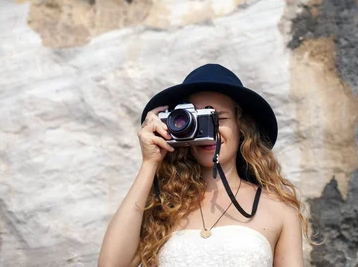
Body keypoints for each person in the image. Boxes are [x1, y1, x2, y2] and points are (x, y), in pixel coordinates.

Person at [98, 64, 310, 267]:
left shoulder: (279, 208)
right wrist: (150, 162)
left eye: (218, 118)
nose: (208, 131)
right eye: (197, 120)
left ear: (242, 127)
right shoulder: (161, 207)